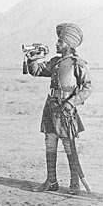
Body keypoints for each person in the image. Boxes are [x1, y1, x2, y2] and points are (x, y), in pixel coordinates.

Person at [27, 23, 92, 195]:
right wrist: (32, 58)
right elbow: (37, 71)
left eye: (60, 41)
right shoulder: (55, 62)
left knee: (68, 145)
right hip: (51, 107)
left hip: (66, 110)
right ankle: (51, 181)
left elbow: (87, 88)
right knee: (49, 142)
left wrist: (72, 103)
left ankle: (74, 185)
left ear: (69, 44)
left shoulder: (77, 63)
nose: (56, 44)